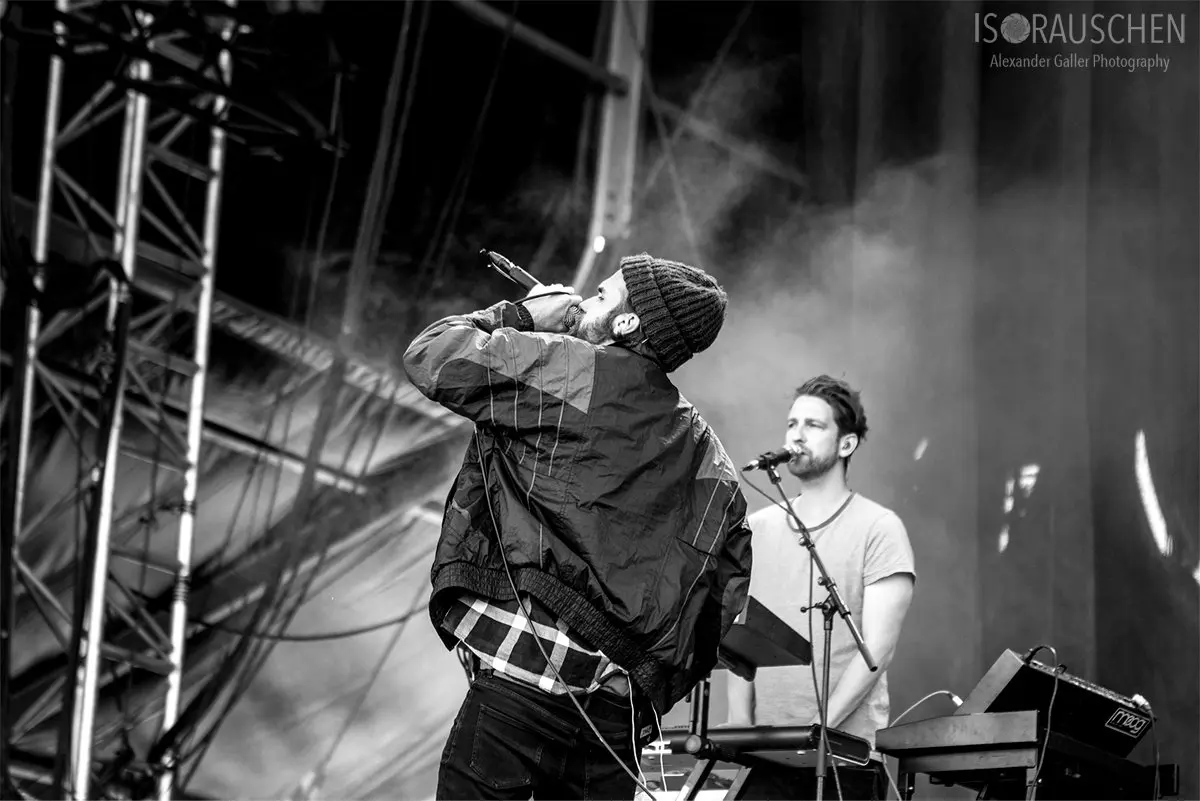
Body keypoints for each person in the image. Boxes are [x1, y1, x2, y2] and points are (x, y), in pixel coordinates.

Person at [403, 252, 754, 800]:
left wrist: (524, 315)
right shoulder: (714, 462)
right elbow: (723, 599)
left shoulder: (576, 368)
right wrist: (646, 682)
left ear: (627, 322)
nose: (583, 299)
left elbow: (432, 354)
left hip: (523, 685)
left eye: (602, 295)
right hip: (615, 725)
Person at [725, 375, 916, 800]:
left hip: (845, 760)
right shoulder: (756, 529)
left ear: (846, 444)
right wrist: (740, 726)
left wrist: (818, 727)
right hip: (766, 757)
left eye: (813, 425)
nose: (796, 435)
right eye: (792, 424)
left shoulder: (879, 528)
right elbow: (739, 637)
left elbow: (876, 650)